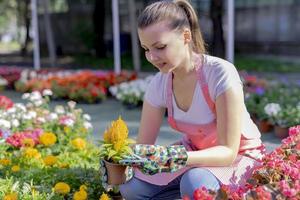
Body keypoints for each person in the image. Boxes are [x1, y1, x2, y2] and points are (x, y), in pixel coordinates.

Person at [119, 0, 265, 199]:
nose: (152, 57)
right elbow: (144, 147)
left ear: (185, 36)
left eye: (160, 47)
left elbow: (228, 152)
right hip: (194, 155)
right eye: (146, 49)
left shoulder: (219, 73)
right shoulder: (159, 84)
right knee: (131, 187)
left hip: (237, 157)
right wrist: (119, 158)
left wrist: (176, 157)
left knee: (195, 183)